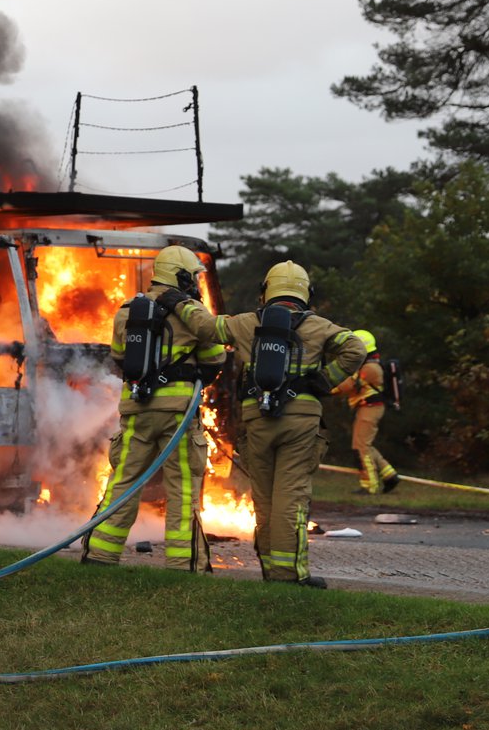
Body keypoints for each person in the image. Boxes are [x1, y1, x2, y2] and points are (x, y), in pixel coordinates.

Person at [175, 261, 365, 588]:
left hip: (258, 422)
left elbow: (206, 328)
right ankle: (289, 576)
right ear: (305, 294)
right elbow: (356, 348)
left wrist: (179, 301)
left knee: (263, 502)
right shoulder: (319, 326)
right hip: (301, 422)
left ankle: (270, 571)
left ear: (266, 292)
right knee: (291, 499)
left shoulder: (246, 322)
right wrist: (323, 380)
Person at [83, 244, 226, 570]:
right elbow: (214, 359)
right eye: (192, 277)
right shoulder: (191, 313)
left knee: (123, 483)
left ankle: (100, 555)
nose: (195, 283)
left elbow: (119, 357)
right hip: (178, 416)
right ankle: (183, 564)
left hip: (137, 412)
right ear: (181, 277)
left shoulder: (127, 311)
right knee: (183, 491)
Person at [331, 329, 400, 495]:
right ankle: (389, 475)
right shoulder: (369, 366)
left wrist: (325, 389)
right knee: (365, 444)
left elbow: (348, 385)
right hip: (368, 408)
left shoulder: (369, 368)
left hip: (370, 408)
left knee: (360, 446)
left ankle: (369, 485)